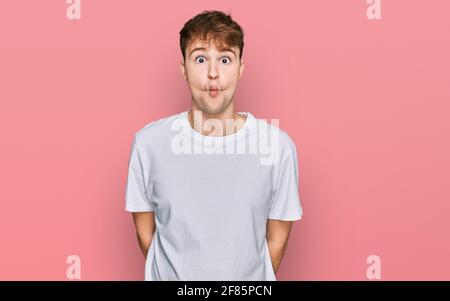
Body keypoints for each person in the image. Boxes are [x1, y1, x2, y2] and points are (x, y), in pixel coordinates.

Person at [125, 10, 303, 281]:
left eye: (224, 59)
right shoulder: (148, 145)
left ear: (241, 67)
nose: (212, 73)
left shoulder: (277, 148)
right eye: (199, 59)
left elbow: (276, 243)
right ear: (183, 69)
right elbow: (146, 234)